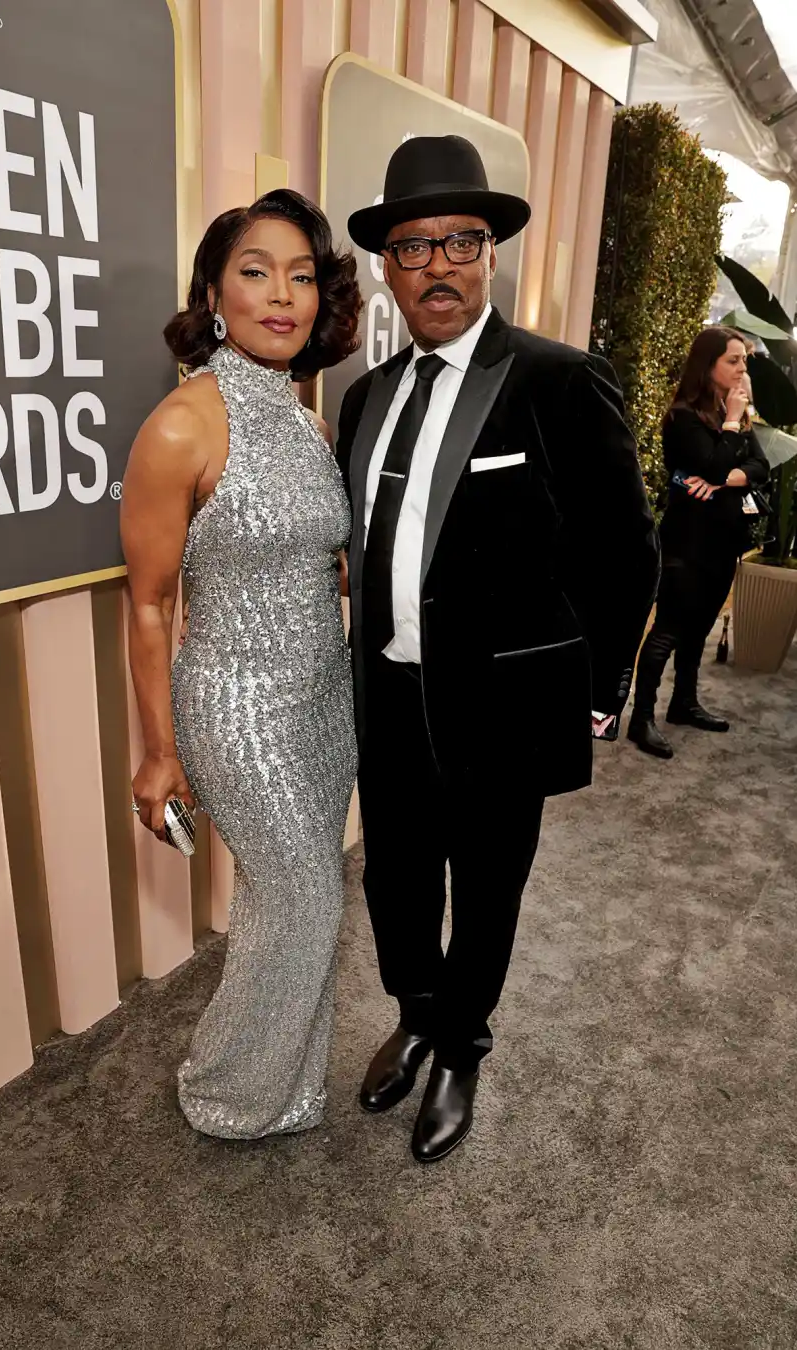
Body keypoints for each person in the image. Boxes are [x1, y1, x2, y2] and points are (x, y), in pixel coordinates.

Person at [337, 135, 660, 1163]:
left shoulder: (560, 380)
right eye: (413, 245)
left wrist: (599, 688)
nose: (438, 265)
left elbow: (626, 552)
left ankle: (461, 1047)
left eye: (460, 241)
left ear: (489, 253)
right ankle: (417, 1014)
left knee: (486, 888)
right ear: (388, 266)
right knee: (395, 881)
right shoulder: (365, 397)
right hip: (390, 694)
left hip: (506, 706)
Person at [121, 189, 362, 1139]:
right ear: (216, 295)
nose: (283, 294)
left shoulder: (307, 421)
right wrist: (158, 753)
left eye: (302, 276)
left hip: (325, 697)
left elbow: (310, 549)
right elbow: (148, 603)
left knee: (289, 897)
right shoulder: (182, 424)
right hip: (238, 705)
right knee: (306, 897)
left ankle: (288, 1087)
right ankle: (226, 1090)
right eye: (256, 272)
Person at [628, 326, 770, 760]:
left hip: (724, 542)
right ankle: (641, 717)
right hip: (687, 544)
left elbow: (760, 466)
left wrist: (727, 477)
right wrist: (730, 431)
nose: (742, 369)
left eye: (744, 360)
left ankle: (684, 704)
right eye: (733, 360)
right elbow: (712, 464)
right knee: (668, 630)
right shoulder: (683, 417)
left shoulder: (733, 413)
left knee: (700, 630)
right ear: (708, 366)